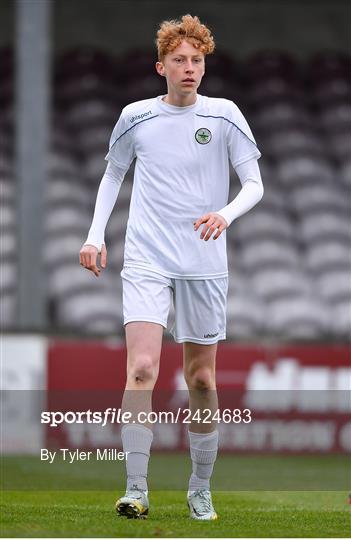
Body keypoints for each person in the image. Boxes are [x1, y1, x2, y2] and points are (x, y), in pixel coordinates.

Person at [80, 14, 263, 520]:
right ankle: (135, 489)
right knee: (141, 368)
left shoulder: (225, 115)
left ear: (205, 66)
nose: (189, 68)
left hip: (203, 262)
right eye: (179, 60)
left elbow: (254, 184)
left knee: (201, 380)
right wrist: (95, 236)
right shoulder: (136, 116)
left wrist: (224, 215)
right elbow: (113, 175)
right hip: (147, 257)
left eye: (197, 60)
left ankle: (199, 487)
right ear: (160, 66)